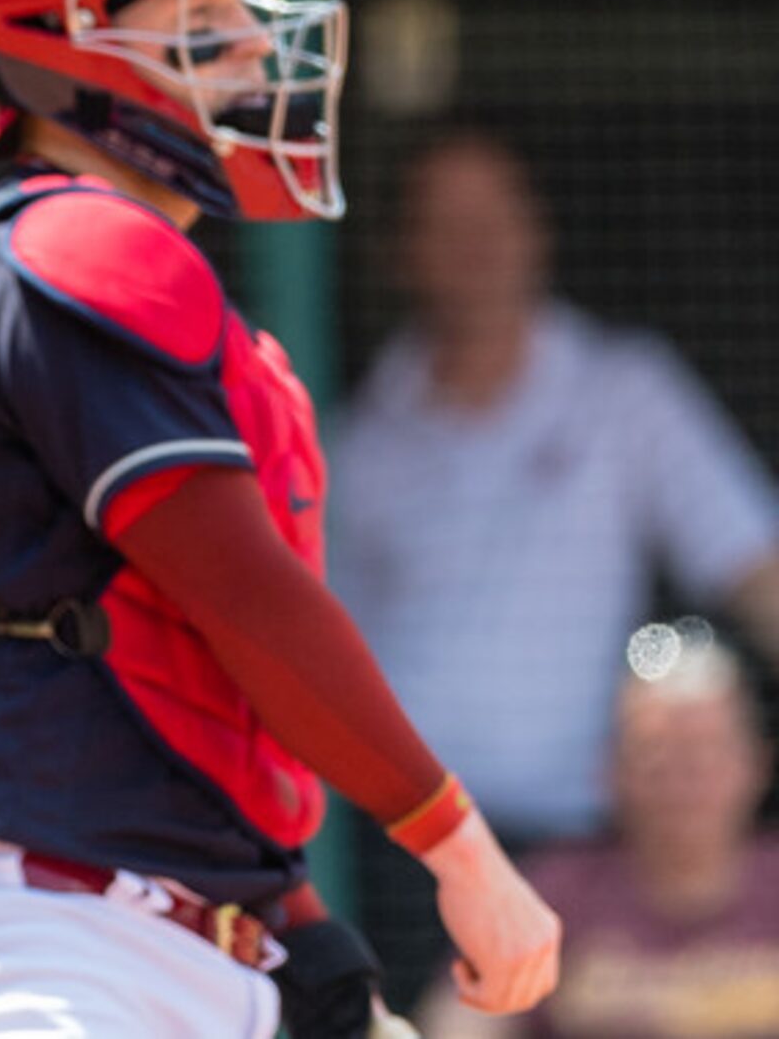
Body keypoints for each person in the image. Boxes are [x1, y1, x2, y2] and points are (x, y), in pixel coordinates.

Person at [0, 0, 562, 1039]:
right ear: (73, 32)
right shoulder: (74, 245)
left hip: (173, 940)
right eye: (205, 10)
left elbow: (178, 677)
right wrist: (459, 849)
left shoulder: (103, 253)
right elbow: (244, 600)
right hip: (34, 954)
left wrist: (313, 952)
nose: (254, 43)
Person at [332, 129, 779, 846]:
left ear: (538, 228)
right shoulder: (357, 440)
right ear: (398, 253)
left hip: (579, 842)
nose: (477, 243)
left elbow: (756, 567)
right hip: (397, 840)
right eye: (446, 224)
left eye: (496, 214)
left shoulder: (627, 391)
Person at [419, 625, 779, 1038]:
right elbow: (461, 1019)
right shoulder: (556, 891)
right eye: (657, 760)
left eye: (702, 758)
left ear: (756, 765)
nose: (682, 785)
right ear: (611, 771)